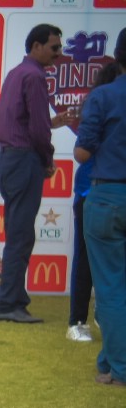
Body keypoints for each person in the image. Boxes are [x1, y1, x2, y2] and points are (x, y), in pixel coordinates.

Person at [0, 24, 66, 324]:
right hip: (24, 160)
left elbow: (22, 121)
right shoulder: (35, 76)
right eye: (54, 47)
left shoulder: (15, 73)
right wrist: (47, 158)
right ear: (36, 46)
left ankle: (12, 299)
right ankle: (8, 304)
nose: (58, 53)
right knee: (21, 235)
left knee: (17, 233)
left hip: (10, 159)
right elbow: (38, 128)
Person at [74, 30, 126, 388]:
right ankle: (109, 362)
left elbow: (82, 152)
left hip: (108, 195)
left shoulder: (104, 95)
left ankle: (119, 367)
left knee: (109, 287)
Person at [68, 59, 120, 343]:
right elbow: (83, 152)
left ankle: (104, 313)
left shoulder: (102, 101)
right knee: (85, 260)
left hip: (106, 194)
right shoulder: (98, 105)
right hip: (91, 191)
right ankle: (77, 320)